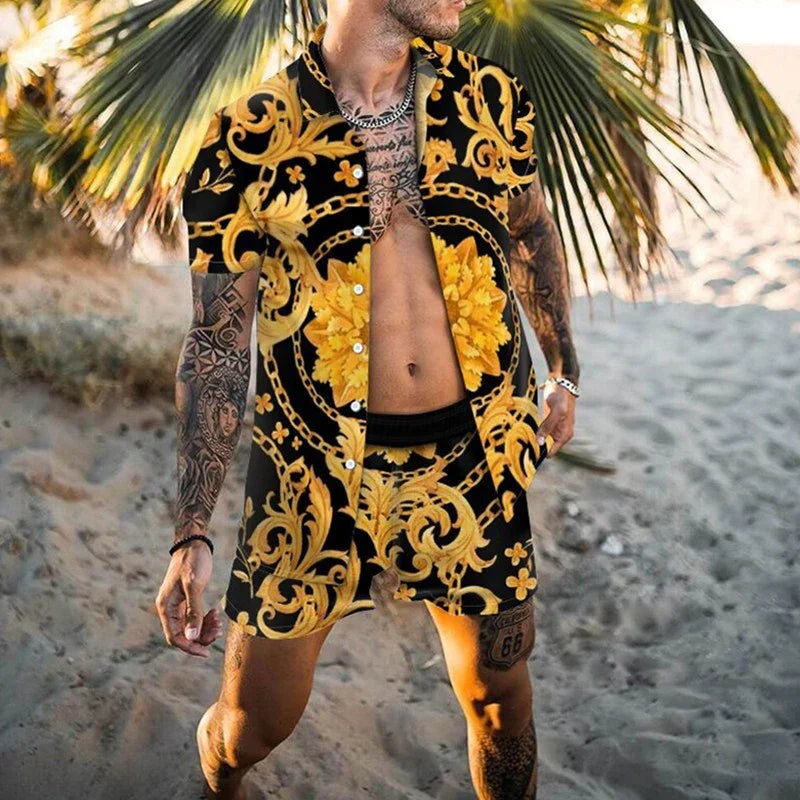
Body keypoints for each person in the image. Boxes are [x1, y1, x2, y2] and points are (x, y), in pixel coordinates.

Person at [156, 1, 579, 797]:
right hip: (310, 475)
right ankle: (218, 780)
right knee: (252, 726)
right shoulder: (246, 138)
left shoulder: (491, 99)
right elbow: (217, 341)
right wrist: (193, 530)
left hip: (471, 463)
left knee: (499, 705)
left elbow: (531, 229)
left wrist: (564, 368)